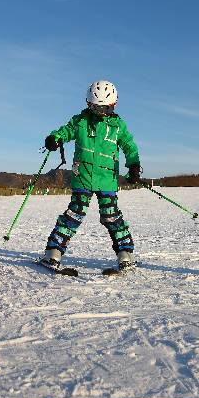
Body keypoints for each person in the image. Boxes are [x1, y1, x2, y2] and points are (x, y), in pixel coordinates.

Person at [40, 80, 141, 271]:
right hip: (83, 177)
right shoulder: (80, 121)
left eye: (105, 108)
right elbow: (65, 131)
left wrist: (134, 165)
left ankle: (125, 253)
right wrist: (55, 138)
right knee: (74, 214)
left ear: (113, 105)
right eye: (96, 107)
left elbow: (129, 146)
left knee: (111, 216)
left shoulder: (118, 126)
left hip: (107, 180)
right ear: (88, 104)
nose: (100, 112)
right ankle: (53, 252)